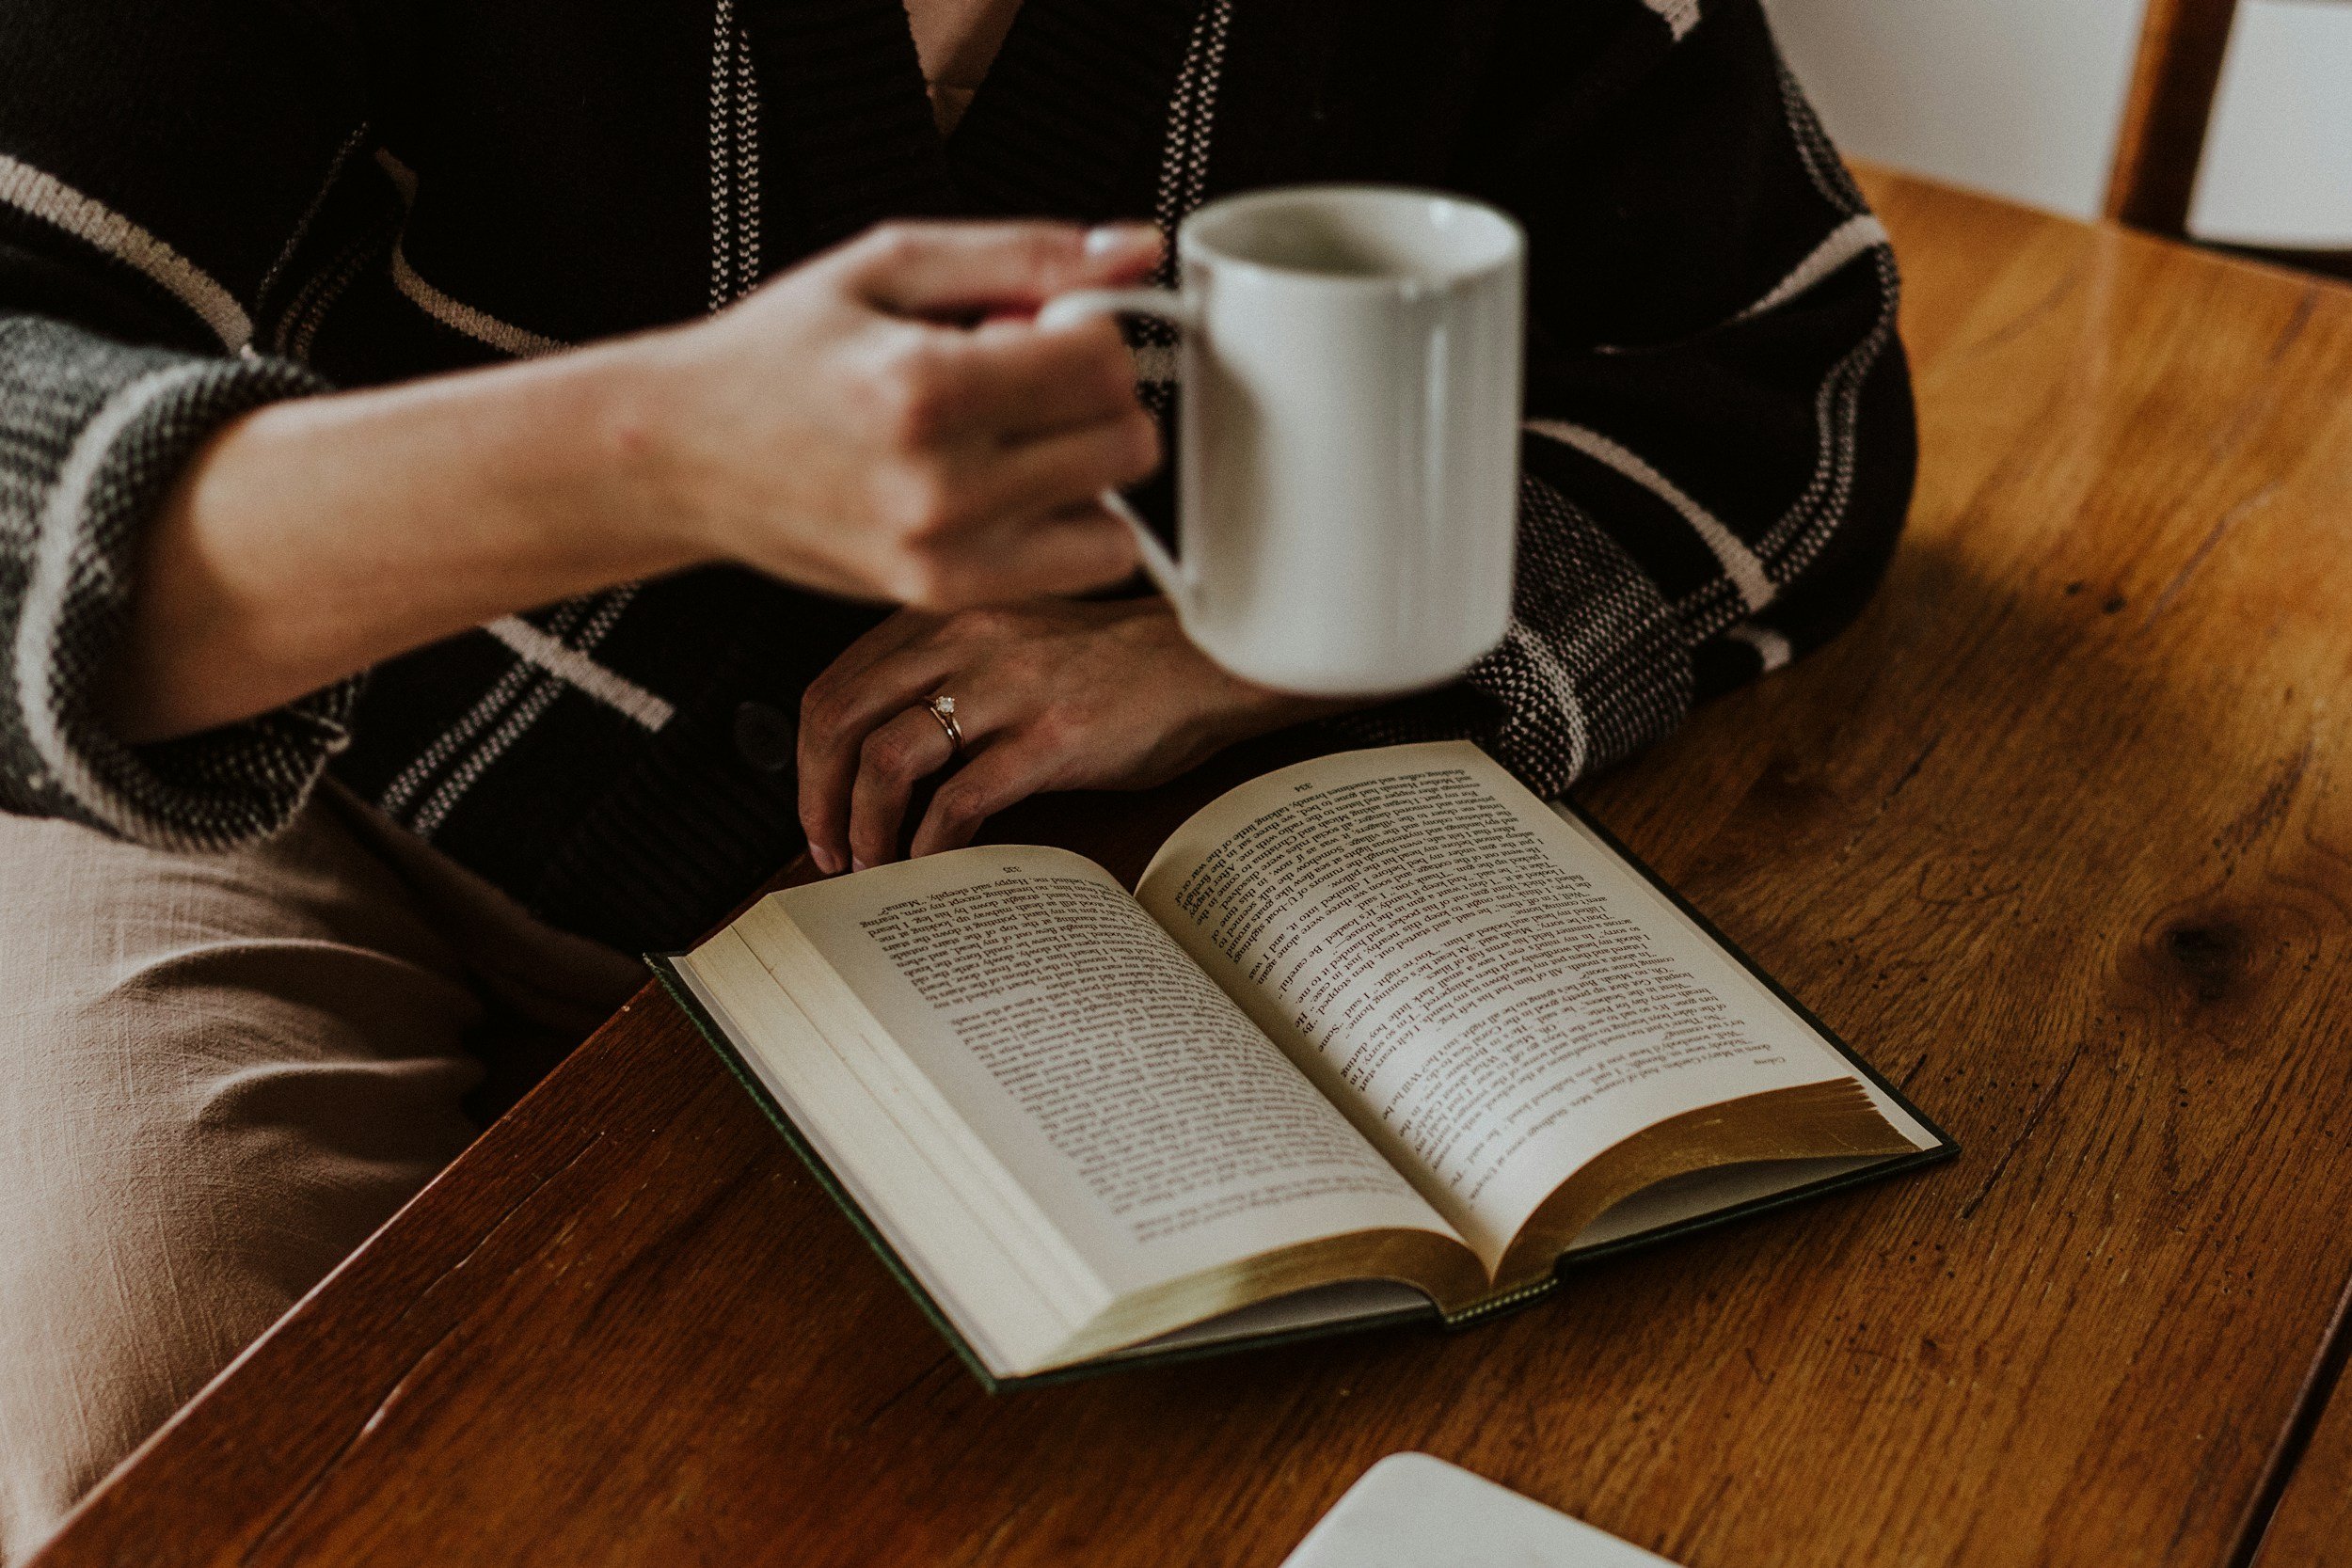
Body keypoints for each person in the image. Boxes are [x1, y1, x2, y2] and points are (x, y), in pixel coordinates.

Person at [0, 0, 1915, 1555]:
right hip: (327, 790)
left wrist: (1249, 638)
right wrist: (652, 454)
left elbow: (1789, 380)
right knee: (179, 1459)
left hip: (1072, 897)